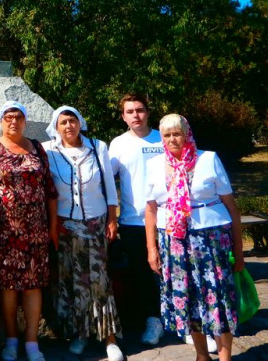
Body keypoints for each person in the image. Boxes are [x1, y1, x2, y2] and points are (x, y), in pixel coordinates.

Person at [145, 114, 244, 361]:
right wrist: (151, 249)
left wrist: (239, 252)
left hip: (210, 241)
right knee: (186, 299)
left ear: (187, 134)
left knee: (217, 299)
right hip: (174, 243)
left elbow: (232, 207)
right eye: (167, 135)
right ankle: (201, 354)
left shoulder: (208, 159)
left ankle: (225, 357)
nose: (172, 139)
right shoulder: (155, 165)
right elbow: (150, 210)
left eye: (176, 133)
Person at [0, 101, 58, 361]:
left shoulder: (36, 148)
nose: (14, 121)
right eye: (8, 117)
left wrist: (52, 227)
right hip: (4, 232)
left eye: (19, 117)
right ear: (1, 121)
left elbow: (50, 190)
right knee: (8, 286)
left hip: (36, 231)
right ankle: (11, 339)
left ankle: (32, 343)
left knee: (34, 285)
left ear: (25, 120)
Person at [42, 107, 124, 361]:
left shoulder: (97, 147)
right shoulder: (48, 151)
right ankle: (80, 333)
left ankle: (109, 338)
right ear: (56, 127)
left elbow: (109, 187)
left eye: (72, 121)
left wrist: (112, 219)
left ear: (80, 123)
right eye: (63, 122)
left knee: (99, 281)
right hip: (65, 226)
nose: (68, 126)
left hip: (96, 223)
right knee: (72, 281)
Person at [108, 94, 167, 345]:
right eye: (130, 111)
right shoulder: (118, 144)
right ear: (123, 116)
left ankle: (185, 322)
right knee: (144, 274)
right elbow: (107, 184)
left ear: (148, 112)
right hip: (134, 222)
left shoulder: (164, 138)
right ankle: (153, 321)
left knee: (174, 272)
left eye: (140, 110)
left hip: (168, 219)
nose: (135, 115)